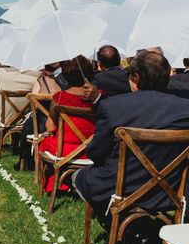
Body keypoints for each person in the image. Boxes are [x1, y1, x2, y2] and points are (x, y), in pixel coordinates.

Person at [73, 51, 189, 216]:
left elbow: (96, 153)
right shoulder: (185, 108)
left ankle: (117, 226)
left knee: (80, 176)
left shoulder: (113, 107)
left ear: (136, 77)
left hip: (120, 189)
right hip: (170, 191)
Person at [38, 57, 96, 192]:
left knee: (43, 142)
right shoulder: (99, 97)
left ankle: (53, 182)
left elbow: (50, 127)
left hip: (64, 148)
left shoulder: (59, 97)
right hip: (93, 148)